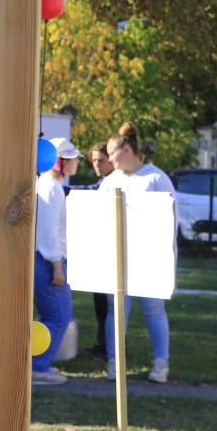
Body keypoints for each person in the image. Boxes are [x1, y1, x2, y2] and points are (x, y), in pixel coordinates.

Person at [99, 121, 176, 383]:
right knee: (116, 311)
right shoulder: (110, 181)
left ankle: (161, 364)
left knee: (154, 310)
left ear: (129, 150)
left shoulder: (156, 178)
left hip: (148, 260)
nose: (109, 159)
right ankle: (114, 362)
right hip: (116, 259)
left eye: (112, 153)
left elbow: (170, 220)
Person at [32, 137, 81, 385]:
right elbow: (48, 232)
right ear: (61, 161)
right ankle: (38, 366)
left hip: (44, 259)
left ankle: (36, 363)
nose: (77, 163)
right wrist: (56, 265)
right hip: (47, 261)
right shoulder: (51, 187)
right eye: (73, 159)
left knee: (53, 315)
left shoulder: (48, 185)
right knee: (59, 315)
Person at [83, 141, 115, 357]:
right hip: (101, 251)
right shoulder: (103, 182)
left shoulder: (113, 182)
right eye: (93, 161)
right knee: (100, 303)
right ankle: (103, 343)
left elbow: (89, 191)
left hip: (111, 254)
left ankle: (109, 347)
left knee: (108, 305)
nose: (97, 165)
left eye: (101, 160)